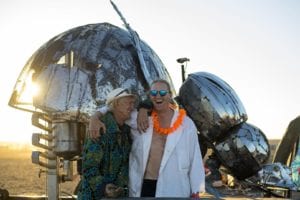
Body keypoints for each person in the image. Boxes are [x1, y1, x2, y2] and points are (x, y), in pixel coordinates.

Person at [89, 79, 205, 198]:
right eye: (154, 93)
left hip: (175, 187)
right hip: (143, 187)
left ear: (170, 95)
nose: (158, 96)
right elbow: (112, 107)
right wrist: (95, 118)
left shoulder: (186, 124)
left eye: (163, 93)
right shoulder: (139, 118)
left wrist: (196, 190)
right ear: (150, 96)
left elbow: (194, 158)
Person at [77, 88, 136, 199]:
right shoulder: (100, 129)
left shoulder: (127, 131)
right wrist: (103, 187)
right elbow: (89, 167)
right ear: (116, 104)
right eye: (129, 103)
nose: (132, 108)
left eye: (133, 103)